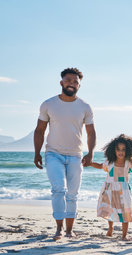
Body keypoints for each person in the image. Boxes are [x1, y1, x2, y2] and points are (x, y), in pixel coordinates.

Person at [34, 67, 96, 240]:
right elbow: (39, 131)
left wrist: (90, 153)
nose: (72, 84)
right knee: (58, 189)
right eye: (68, 80)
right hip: (53, 153)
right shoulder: (48, 104)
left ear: (79, 85)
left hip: (76, 155)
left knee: (73, 194)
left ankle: (70, 230)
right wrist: (37, 153)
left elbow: (91, 132)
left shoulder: (85, 107)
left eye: (75, 81)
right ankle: (59, 228)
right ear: (61, 83)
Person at [89, 134, 132, 240]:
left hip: (123, 191)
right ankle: (110, 228)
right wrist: (90, 163)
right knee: (109, 209)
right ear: (114, 150)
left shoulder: (129, 163)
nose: (120, 152)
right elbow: (100, 166)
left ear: (128, 150)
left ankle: (124, 235)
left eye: (123, 149)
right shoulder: (110, 162)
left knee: (125, 212)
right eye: (118, 149)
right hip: (109, 189)